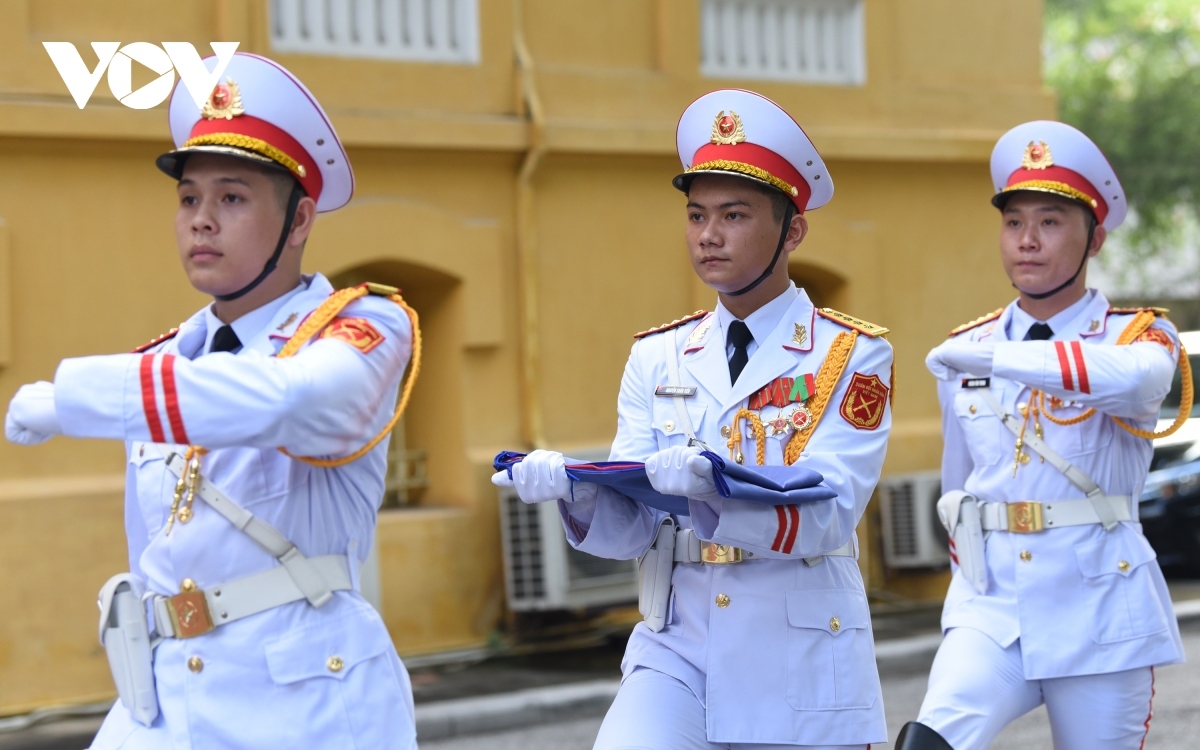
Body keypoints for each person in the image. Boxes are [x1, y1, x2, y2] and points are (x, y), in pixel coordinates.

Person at [4, 53, 419, 749]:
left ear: (299, 220)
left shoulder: (367, 326)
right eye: (189, 198)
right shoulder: (159, 365)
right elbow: (155, 551)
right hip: (166, 698)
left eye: (231, 198)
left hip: (307, 701)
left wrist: (73, 398)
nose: (200, 220)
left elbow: (290, 401)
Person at [495, 89, 894, 749]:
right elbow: (633, 532)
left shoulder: (849, 353)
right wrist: (578, 491)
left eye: (734, 215)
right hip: (677, 641)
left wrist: (715, 490)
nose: (709, 235)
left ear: (792, 230)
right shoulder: (658, 355)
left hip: (795, 645)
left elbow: (832, 512)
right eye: (696, 214)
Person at [897, 121, 1187, 750]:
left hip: (1101, 608)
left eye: (1051, 222)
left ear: (1097, 238)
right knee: (929, 741)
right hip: (994, 606)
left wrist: (1003, 360)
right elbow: (957, 487)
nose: (1027, 241)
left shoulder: (1137, 337)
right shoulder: (968, 347)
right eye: (1013, 222)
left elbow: (1139, 385)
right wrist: (970, 575)